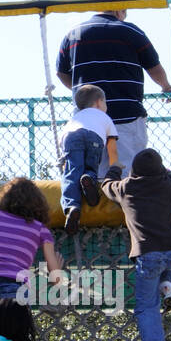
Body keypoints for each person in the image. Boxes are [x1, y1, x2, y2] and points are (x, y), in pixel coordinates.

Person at [56, 0, 171, 174]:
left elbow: (61, 72)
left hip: (86, 118)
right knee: (125, 175)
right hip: (125, 115)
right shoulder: (130, 31)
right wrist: (165, 86)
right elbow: (153, 67)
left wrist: (84, 92)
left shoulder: (74, 33)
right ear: (120, 9)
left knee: (89, 175)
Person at [101, 150, 171, 341]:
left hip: (148, 254)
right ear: (160, 170)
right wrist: (164, 171)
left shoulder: (127, 188)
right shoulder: (170, 186)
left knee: (146, 306)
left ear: (134, 171)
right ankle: (167, 285)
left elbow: (106, 185)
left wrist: (116, 169)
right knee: (167, 261)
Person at [0, 178, 64, 324]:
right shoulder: (40, 229)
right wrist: (58, 266)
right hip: (14, 289)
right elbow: (56, 278)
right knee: (14, 337)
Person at [59, 83, 119, 232]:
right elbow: (111, 146)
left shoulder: (75, 117)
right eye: (105, 102)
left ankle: (72, 206)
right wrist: (115, 165)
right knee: (91, 167)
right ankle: (89, 179)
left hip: (70, 137)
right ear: (99, 102)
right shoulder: (104, 117)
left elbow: (63, 141)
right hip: (94, 137)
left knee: (72, 172)